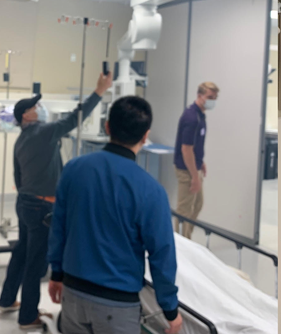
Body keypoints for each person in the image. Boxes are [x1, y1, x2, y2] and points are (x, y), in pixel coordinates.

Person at [47, 96, 183, 334]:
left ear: (107, 127)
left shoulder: (74, 169)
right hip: (117, 305)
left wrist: (56, 273)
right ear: (145, 135)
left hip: (74, 294)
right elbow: (162, 254)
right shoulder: (150, 190)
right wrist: (170, 309)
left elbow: (59, 227)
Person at [0, 71, 112, 329]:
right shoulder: (44, 133)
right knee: (35, 264)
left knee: (21, 253)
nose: (40, 108)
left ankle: (6, 300)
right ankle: (27, 317)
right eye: (36, 106)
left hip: (25, 203)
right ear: (26, 115)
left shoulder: (22, 140)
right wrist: (99, 91)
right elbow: (75, 118)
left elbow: (17, 176)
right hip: (41, 207)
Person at [174, 82, 218, 238]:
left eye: (215, 97)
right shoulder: (191, 117)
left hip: (194, 166)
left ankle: (187, 238)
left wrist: (201, 161)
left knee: (197, 205)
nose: (213, 100)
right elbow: (185, 149)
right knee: (184, 210)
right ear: (199, 96)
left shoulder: (200, 116)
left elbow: (194, 145)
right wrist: (194, 176)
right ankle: (179, 244)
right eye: (210, 97)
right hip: (186, 170)